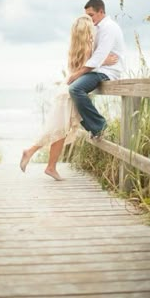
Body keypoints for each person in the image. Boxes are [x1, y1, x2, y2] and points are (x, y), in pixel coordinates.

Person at [20, 14, 118, 181]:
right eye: (91, 27)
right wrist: (104, 61)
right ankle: (31, 152)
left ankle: (50, 166)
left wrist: (100, 60)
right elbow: (88, 67)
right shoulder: (88, 48)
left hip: (64, 92)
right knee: (56, 130)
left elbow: (80, 68)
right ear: (87, 30)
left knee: (59, 131)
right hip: (68, 96)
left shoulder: (75, 48)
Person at [68, 0, 125, 139]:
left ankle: (100, 127)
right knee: (69, 93)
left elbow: (97, 57)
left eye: (91, 15)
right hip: (98, 69)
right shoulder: (96, 27)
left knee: (75, 89)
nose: (89, 18)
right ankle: (92, 127)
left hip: (108, 72)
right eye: (87, 15)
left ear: (101, 12)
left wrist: (76, 74)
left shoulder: (109, 28)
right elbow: (95, 57)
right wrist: (101, 61)